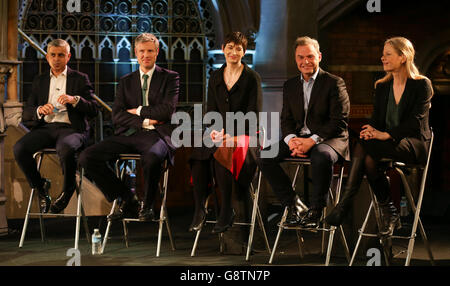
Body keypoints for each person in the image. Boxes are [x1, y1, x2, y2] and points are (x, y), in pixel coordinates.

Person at [325, 37, 433, 235]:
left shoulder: (421, 85)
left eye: (388, 54)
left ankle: (346, 203)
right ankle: (389, 211)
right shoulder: (382, 86)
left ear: (403, 57)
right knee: (367, 153)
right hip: (385, 144)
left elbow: (415, 122)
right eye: (383, 54)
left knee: (367, 150)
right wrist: (371, 130)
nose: (382, 58)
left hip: (414, 144)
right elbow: (376, 119)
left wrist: (386, 134)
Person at [79, 33, 179, 221]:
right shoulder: (126, 81)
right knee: (87, 157)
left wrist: (138, 110)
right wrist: (145, 120)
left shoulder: (170, 78)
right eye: (142, 51)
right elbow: (117, 115)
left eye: (150, 51)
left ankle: (148, 205)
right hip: (129, 134)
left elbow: (166, 111)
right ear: (135, 52)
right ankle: (127, 197)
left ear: (157, 52)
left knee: (152, 156)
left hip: (156, 135)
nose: (146, 55)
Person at [257, 36, 350, 228]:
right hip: (299, 137)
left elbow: (339, 122)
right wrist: (292, 140)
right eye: (301, 57)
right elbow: (286, 120)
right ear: (295, 59)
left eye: (310, 56)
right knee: (265, 156)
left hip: (330, 139)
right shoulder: (290, 85)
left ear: (319, 57)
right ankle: (293, 204)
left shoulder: (334, 83)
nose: (305, 61)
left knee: (320, 155)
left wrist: (313, 140)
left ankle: (316, 210)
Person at [189, 32, 262, 234]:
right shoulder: (215, 76)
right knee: (199, 153)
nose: (233, 51)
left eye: (238, 48)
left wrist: (233, 135)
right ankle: (200, 209)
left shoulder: (251, 78)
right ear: (223, 49)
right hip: (221, 133)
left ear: (244, 52)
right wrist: (213, 132)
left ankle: (226, 210)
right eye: (230, 47)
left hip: (246, 135)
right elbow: (211, 110)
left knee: (224, 150)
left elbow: (253, 114)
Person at [14, 39, 98, 214]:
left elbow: (93, 110)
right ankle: (40, 186)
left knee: (66, 149)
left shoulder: (80, 79)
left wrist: (75, 100)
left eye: (61, 55)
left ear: (68, 57)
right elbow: (27, 111)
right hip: (46, 128)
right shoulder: (40, 80)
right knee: (19, 148)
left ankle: (67, 192)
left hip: (72, 129)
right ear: (47, 57)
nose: (57, 59)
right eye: (53, 55)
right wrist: (39, 110)